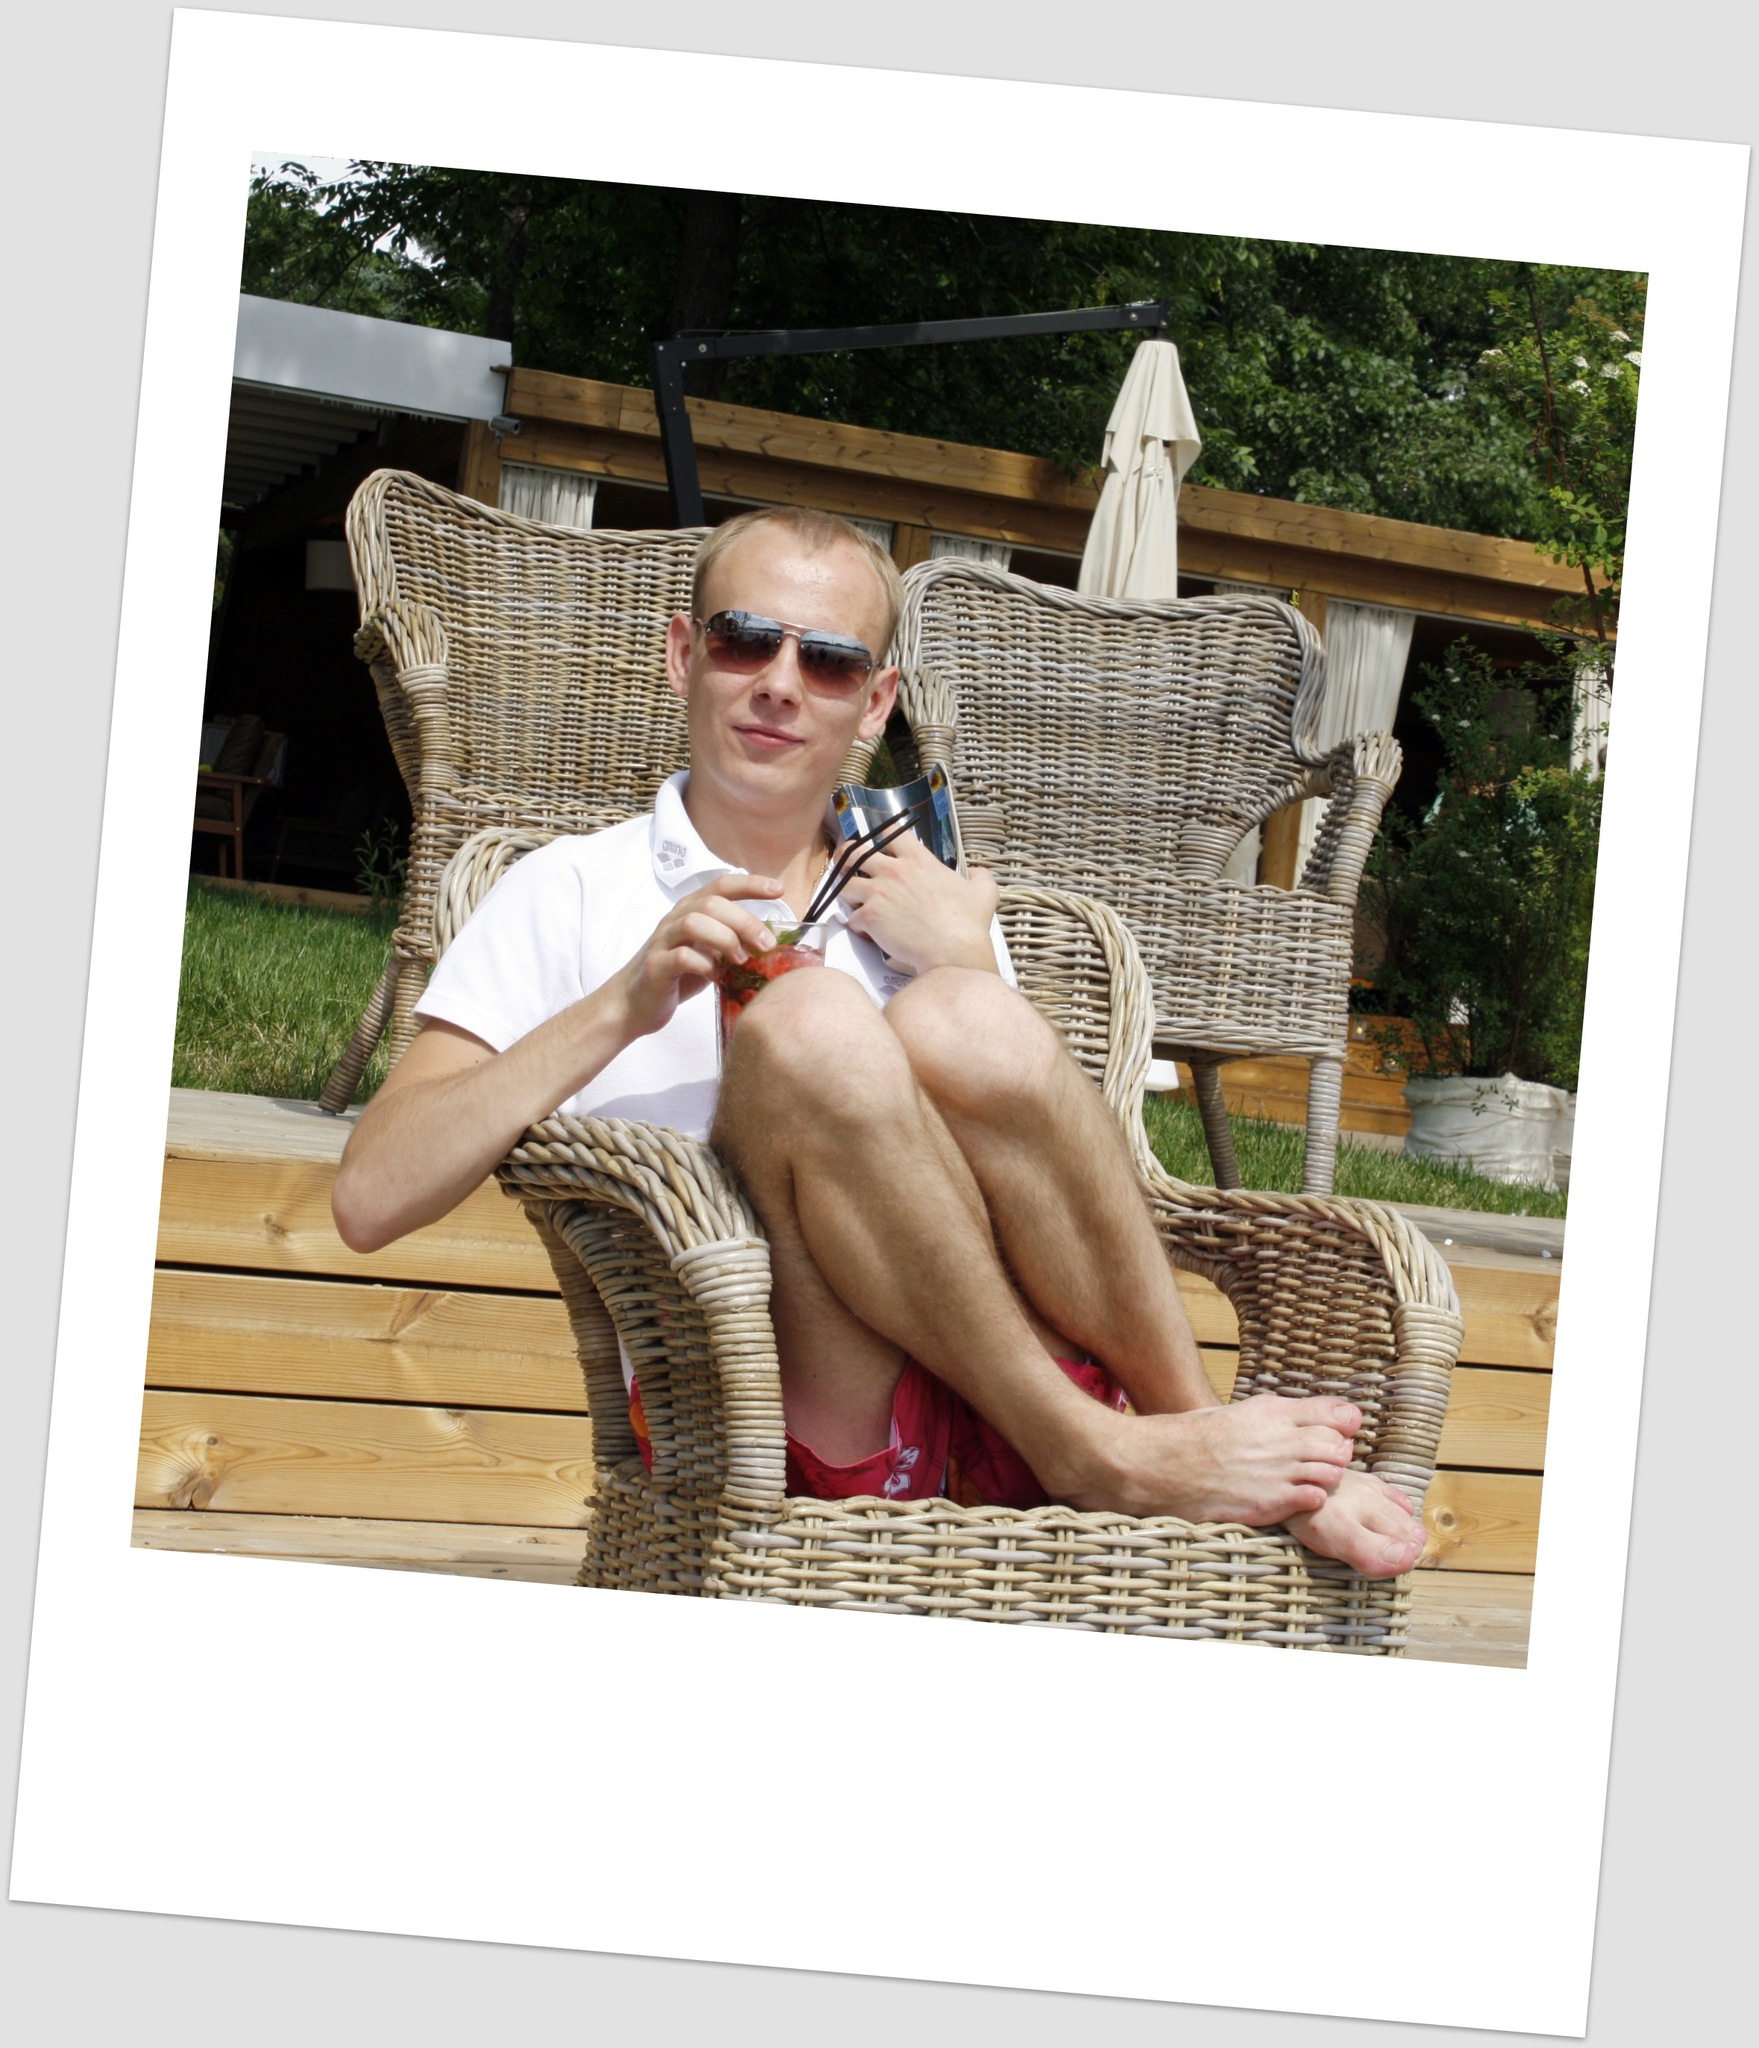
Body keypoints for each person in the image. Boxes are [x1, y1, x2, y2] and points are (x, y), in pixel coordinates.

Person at [332, 506, 1425, 1576]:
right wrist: (622, 1003)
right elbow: (370, 1197)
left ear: (875, 702)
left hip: (1000, 1392)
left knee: (965, 1019)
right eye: (744, 639)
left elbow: (1057, 1182)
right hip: (788, 1412)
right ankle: (1094, 1450)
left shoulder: (919, 896)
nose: (780, 682)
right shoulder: (567, 889)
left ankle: (1179, 1432)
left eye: (830, 661)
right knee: (805, 1015)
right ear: (682, 655)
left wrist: (969, 960)